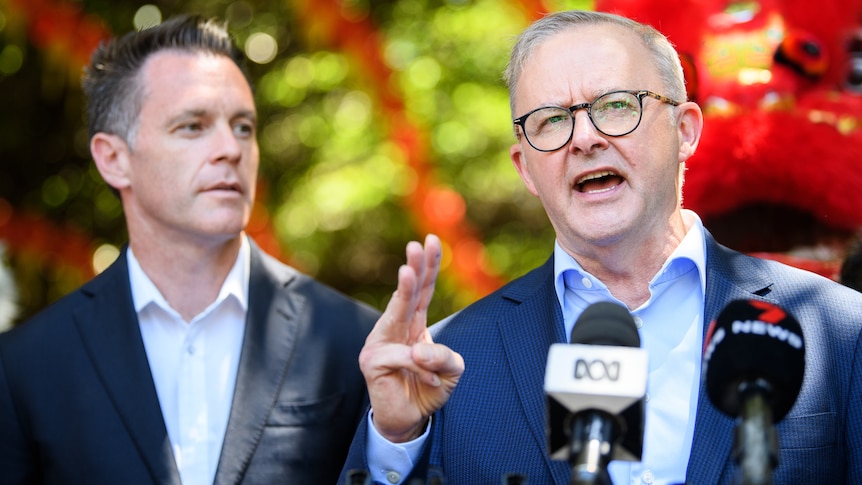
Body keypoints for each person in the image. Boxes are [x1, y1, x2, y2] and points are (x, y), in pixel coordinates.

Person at [339, 10, 862, 485]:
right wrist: (395, 440)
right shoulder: (448, 363)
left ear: (685, 131)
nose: (584, 138)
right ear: (525, 169)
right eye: (551, 119)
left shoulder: (840, 330)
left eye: (615, 106)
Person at [0, 15, 379, 485]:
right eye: (193, 126)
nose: (230, 149)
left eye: (243, 127)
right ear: (114, 159)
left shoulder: (352, 338)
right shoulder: (25, 368)